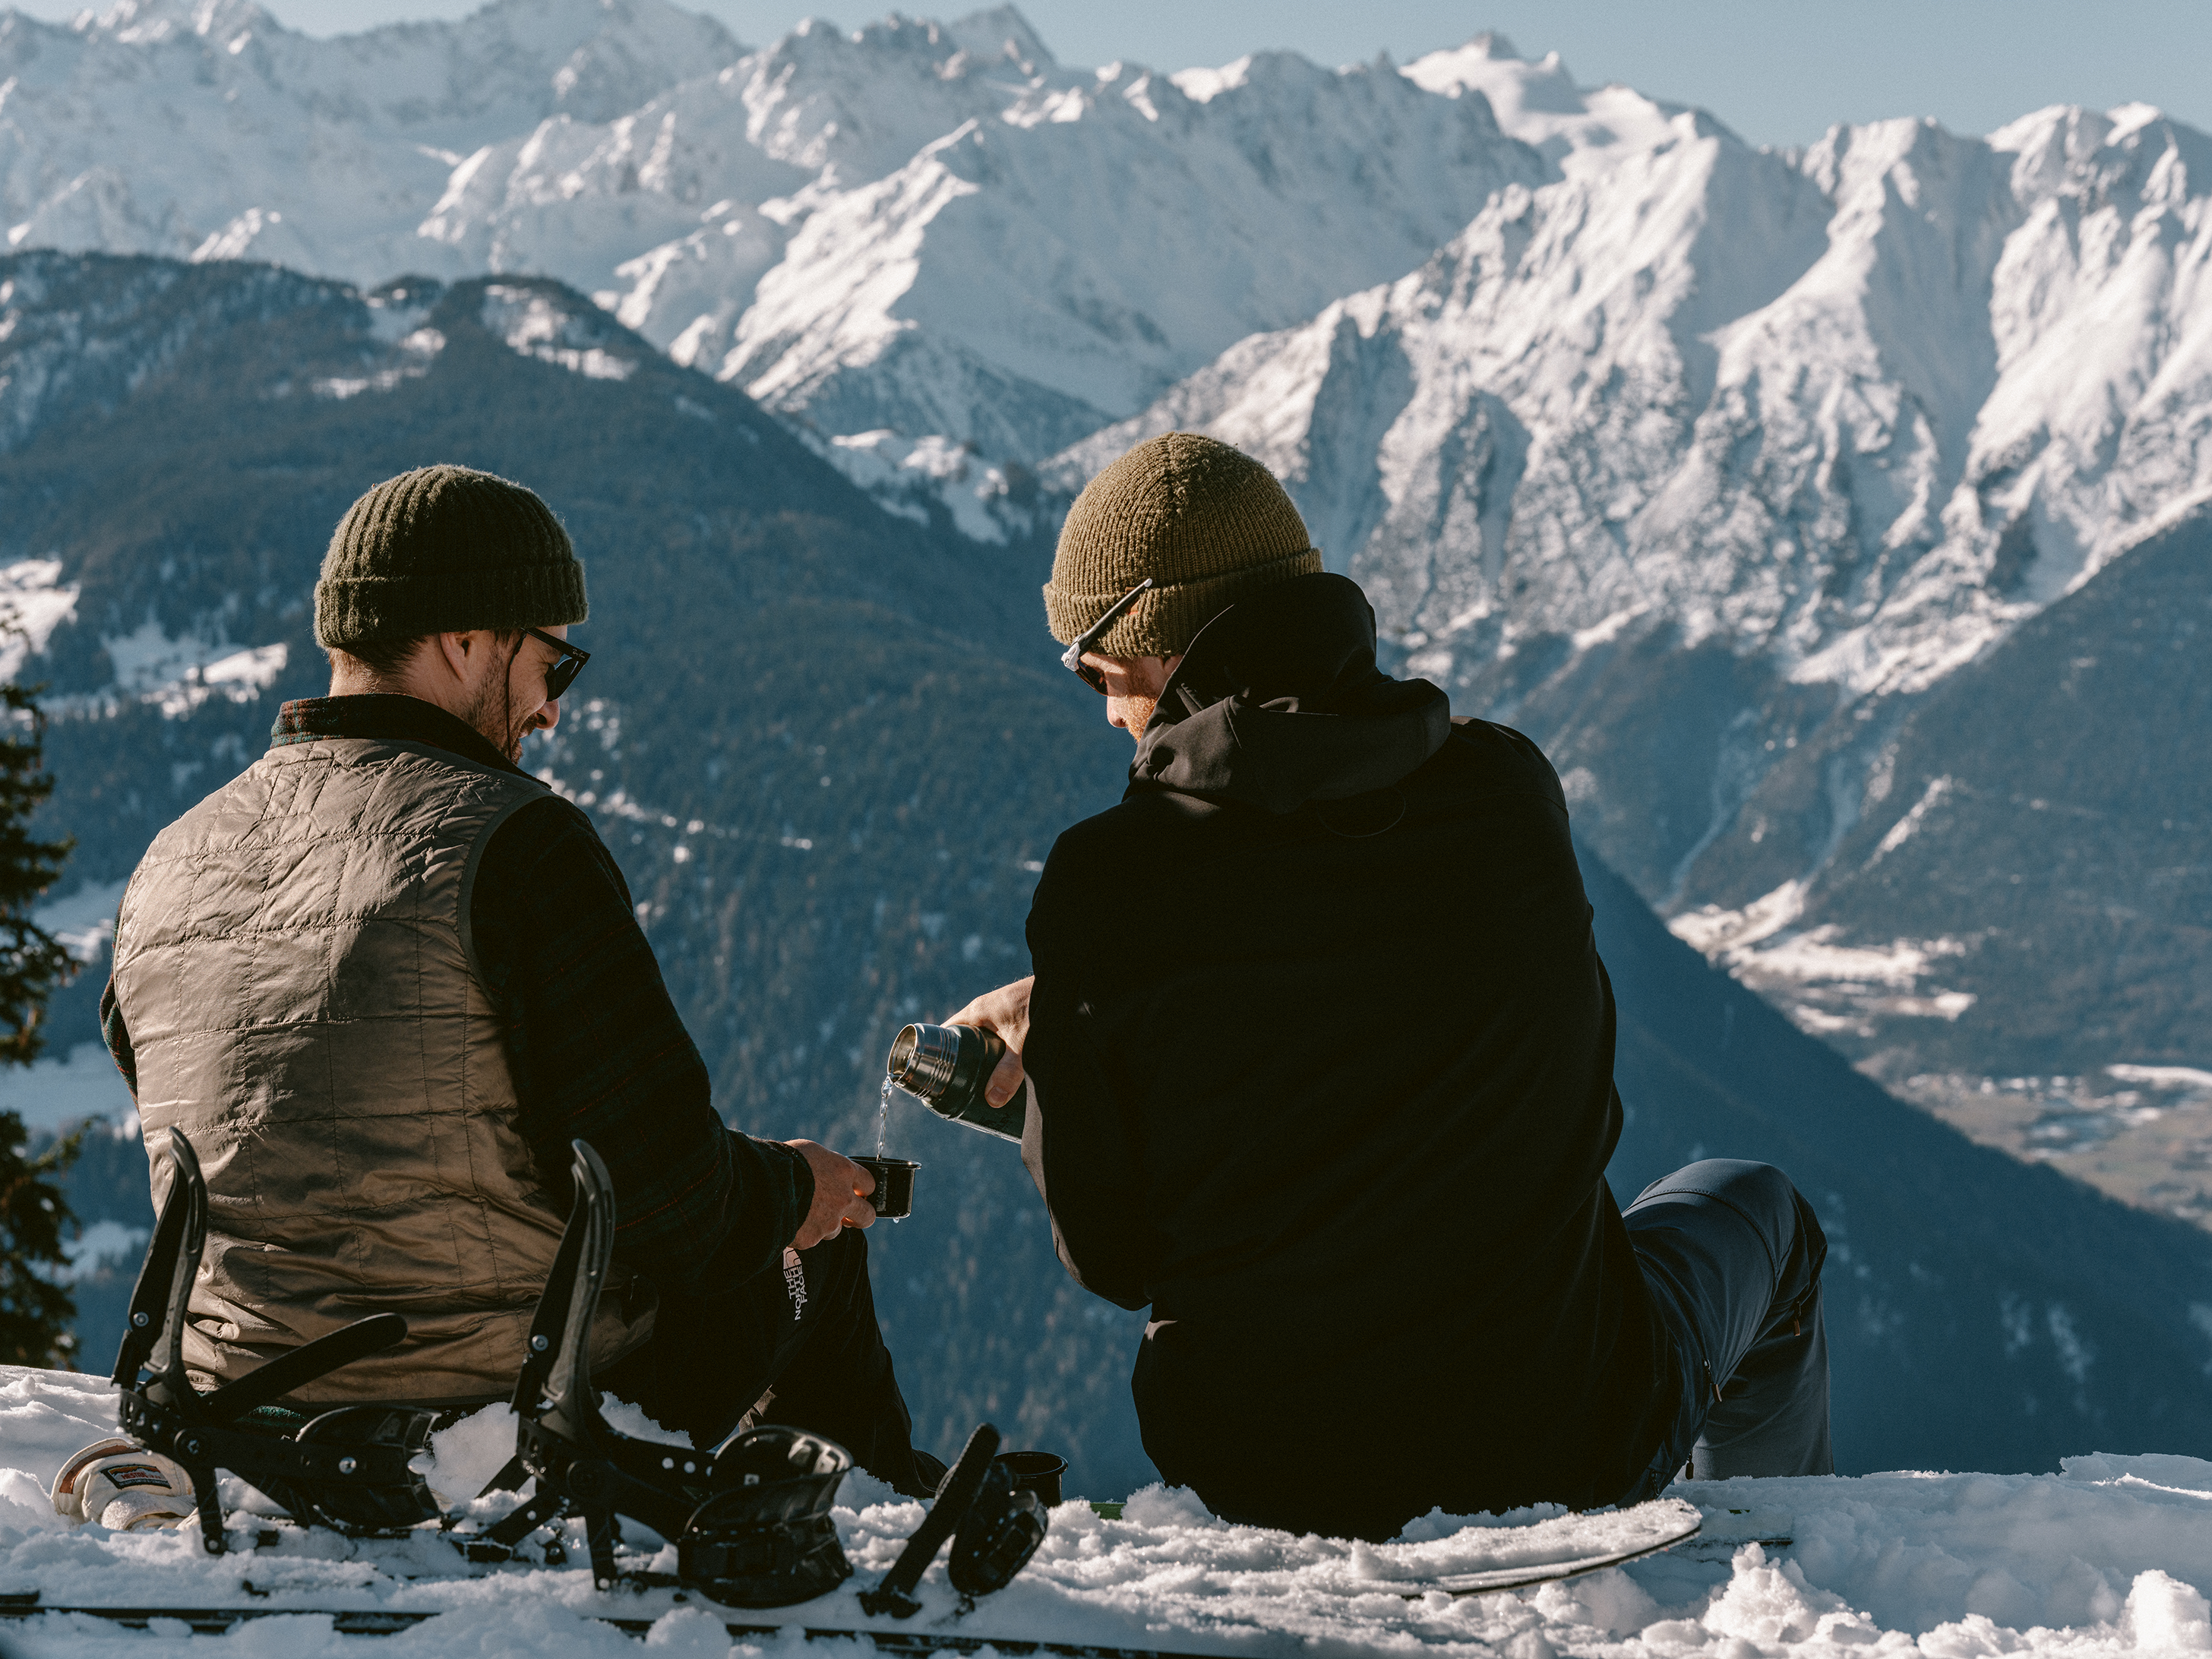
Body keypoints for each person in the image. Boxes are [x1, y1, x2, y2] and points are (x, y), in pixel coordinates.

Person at [948, 431, 1832, 1540]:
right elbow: (1586, 1116)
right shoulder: (1507, 794)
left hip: (1268, 1474)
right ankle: (1778, 1560)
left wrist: (1053, 1085)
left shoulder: (1109, 883)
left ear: (1152, 648)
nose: (1104, 709)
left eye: (1091, 667)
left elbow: (1115, 1253)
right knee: (1757, 1206)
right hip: (1567, 1439)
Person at [100, 464, 933, 1492]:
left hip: (236, 1410)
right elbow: (671, 1201)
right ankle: (889, 1559)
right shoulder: (513, 846)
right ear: (466, 639)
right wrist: (793, 1186)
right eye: (552, 663)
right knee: (811, 1251)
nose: (549, 713)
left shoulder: (168, 865)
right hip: (490, 1424)